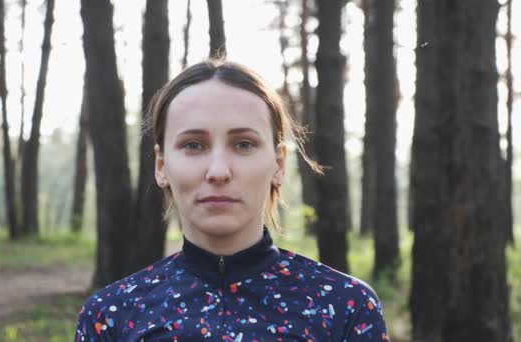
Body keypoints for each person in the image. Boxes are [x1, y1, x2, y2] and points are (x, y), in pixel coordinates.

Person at [75, 60, 389, 341]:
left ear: (279, 164)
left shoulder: (344, 306)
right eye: (194, 145)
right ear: (161, 166)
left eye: (243, 144)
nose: (218, 171)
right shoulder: (112, 316)